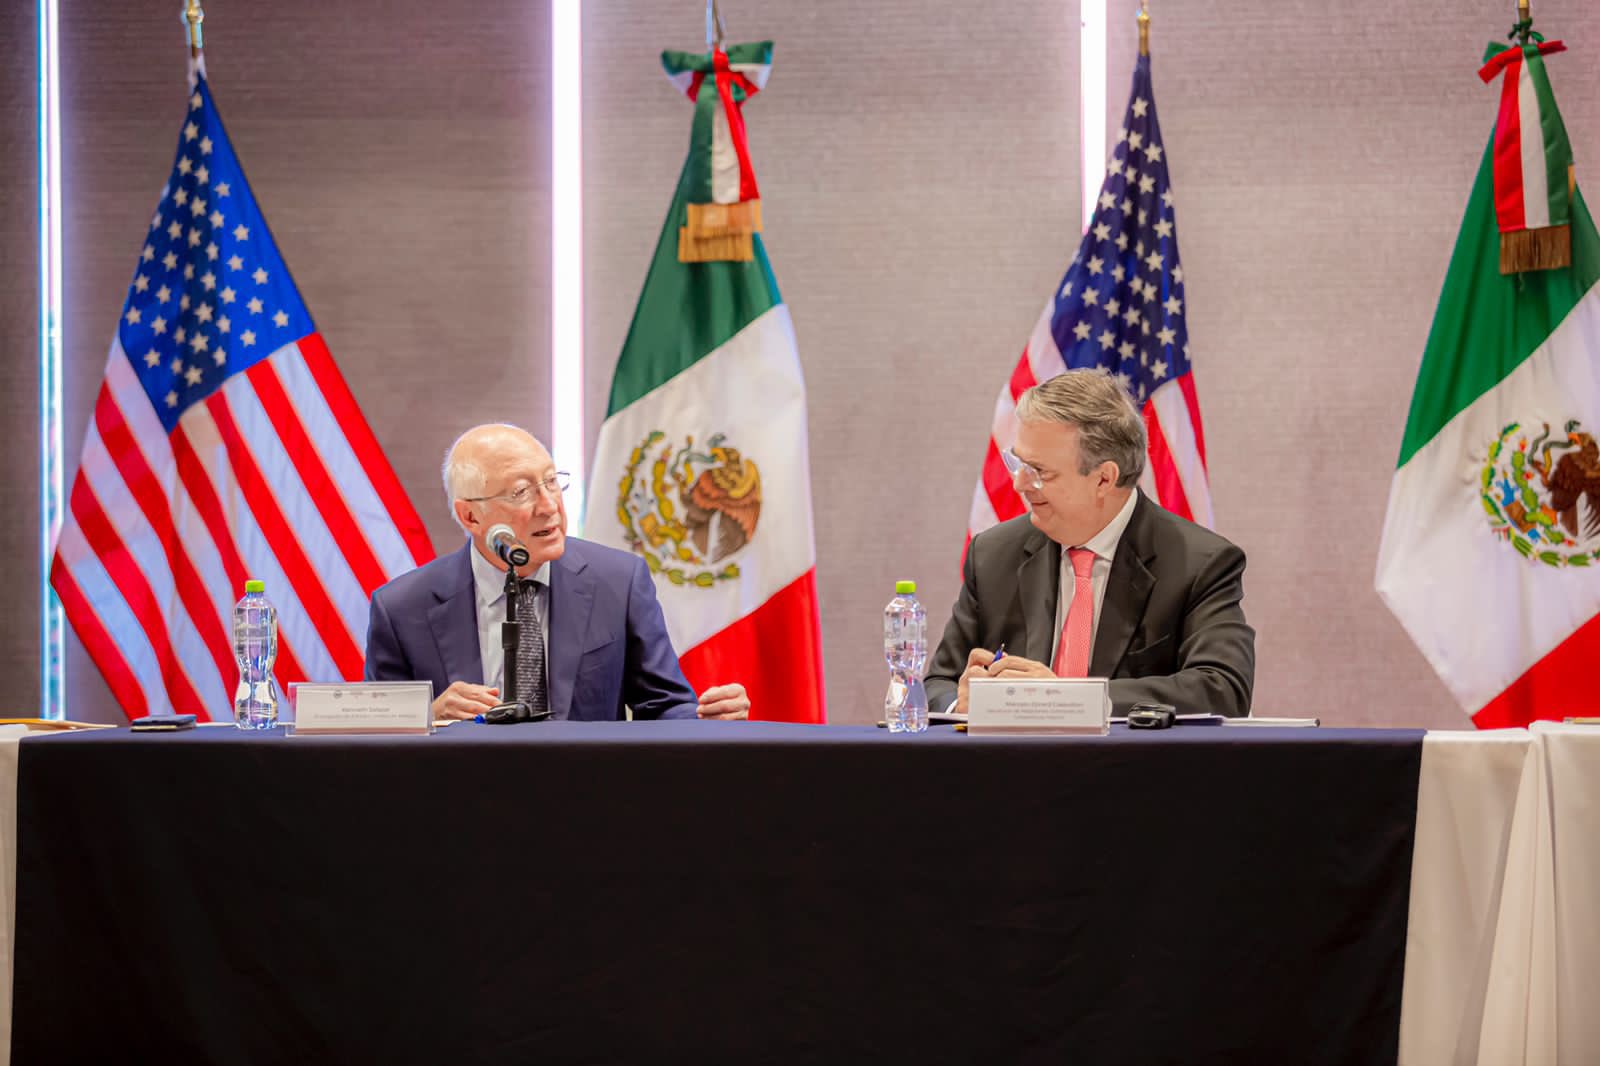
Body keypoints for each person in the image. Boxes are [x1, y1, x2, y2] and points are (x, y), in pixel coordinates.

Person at [364, 424, 750, 722]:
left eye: (551, 481)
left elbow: (663, 707)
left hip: (586, 807)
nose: (549, 505)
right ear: (471, 515)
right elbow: (375, 735)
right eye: (521, 492)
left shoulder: (619, 581)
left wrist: (705, 717)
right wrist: (428, 719)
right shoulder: (401, 609)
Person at [926, 370, 1255, 717]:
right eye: (1018, 464)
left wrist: (1063, 697)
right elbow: (937, 684)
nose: (1019, 485)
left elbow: (1222, 689)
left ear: (1103, 479)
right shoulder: (994, 555)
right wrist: (959, 704)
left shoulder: (1199, 563)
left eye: (1039, 472)